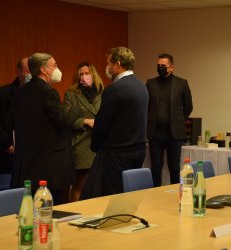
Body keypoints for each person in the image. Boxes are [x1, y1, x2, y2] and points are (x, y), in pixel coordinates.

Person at [10, 53, 79, 205]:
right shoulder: (48, 92)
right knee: (52, 209)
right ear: (44, 70)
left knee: (34, 207)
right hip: (49, 166)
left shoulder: (20, 92)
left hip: (29, 163)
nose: (57, 69)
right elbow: (62, 119)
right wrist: (75, 109)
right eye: (54, 65)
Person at [81, 47, 149, 199]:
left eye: (109, 64)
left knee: (113, 196)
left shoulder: (114, 89)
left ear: (117, 64)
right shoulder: (142, 87)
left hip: (117, 153)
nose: (107, 68)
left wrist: (95, 146)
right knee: (130, 195)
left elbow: (102, 123)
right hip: (138, 149)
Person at [146, 53, 193, 187]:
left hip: (174, 133)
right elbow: (147, 106)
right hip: (155, 133)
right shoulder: (150, 83)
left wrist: (178, 120)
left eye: (163, 66)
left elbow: (188, 106)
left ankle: (175, 196)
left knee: (174, 168)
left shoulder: (181, 83)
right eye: (158, 65)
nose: (160, 68)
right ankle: (155, 196)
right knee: (155, 168)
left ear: (172, 68)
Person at [63, 61, 103, 202]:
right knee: (80, 185)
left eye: (87, 73)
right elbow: (66, 119)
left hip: (99, 145)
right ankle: (74, 215)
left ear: (93, 75)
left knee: (98, 186)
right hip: (81, 145)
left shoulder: (102, 93)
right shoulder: (72, 94)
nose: (84, 77)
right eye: (81, 74)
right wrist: (85, 121)